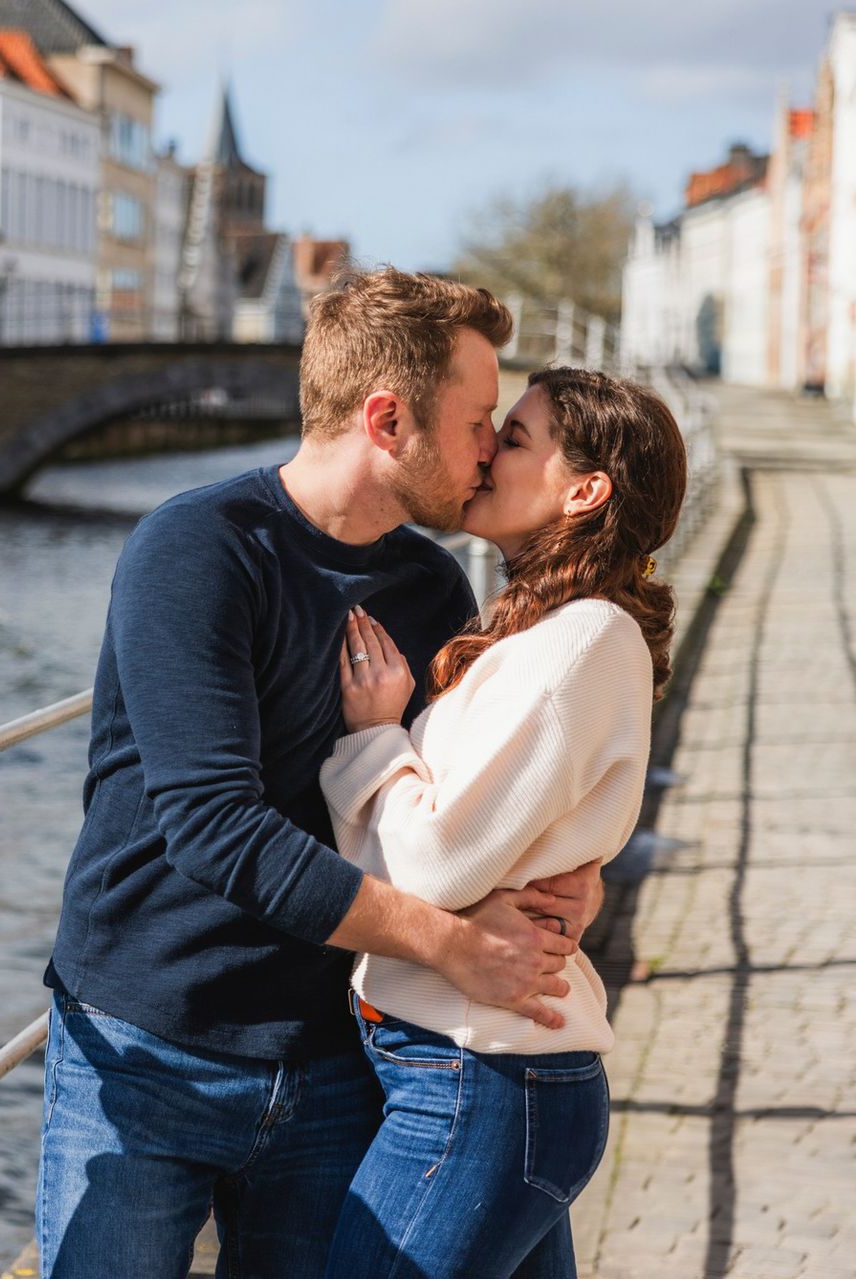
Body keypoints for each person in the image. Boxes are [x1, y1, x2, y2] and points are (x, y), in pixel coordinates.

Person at [37, 267, 604, 1279]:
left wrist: (568, 874)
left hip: (337, 1054)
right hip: (149, 1033)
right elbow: (213, 827)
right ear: (389, 420)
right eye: (479, 419)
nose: (489, 446)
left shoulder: (430, 586)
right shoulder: (198, 550)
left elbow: (450, 808)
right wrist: (454, 946)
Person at [320, 369, 685, 1278]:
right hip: (477, 1071)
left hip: (482, 1079)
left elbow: (434, 863)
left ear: (586, 490)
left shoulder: (582, 640)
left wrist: (373, 737)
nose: (486, 453)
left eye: (514, 438)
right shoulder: (548, 628)